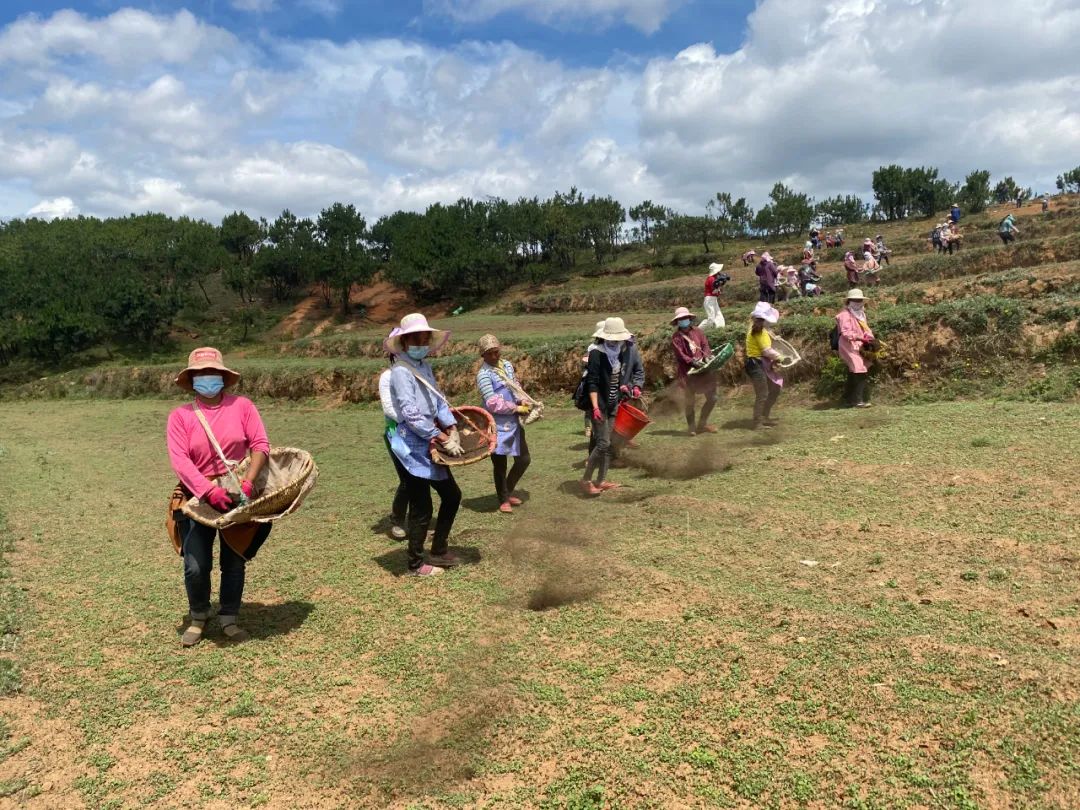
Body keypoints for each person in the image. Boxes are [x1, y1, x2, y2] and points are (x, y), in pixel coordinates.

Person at [167, 347, 271, 647]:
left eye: (212, 373)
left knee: (234, 560)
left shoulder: (243, 406)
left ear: (223, 377)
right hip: (196, 499)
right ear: (192, 379)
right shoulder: (180, 417)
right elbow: (180, 460)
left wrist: (249, 483)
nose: (207, 378)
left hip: (238, 494)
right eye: (201, 373)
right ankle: (199, 616)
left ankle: (229, 617)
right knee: (196, 564)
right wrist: (209, 490)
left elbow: (260, 444)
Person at [387, 313, 464, 576]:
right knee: (421, 506)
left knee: (452, 496)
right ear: (405, 342)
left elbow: (438, 401)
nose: (422, 343)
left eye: (425, 339)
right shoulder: (400, 372)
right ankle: (416, 564)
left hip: (431, 439)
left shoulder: (424, 368)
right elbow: (410, 413)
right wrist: (441, 437)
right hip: (412, 444)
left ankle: (439, 549)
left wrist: (452, 427)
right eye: (417, 339)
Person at [476, 334, 532, 514]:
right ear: (483, 355)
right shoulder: (483, 375)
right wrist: (515, 408)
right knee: (500, 464)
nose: (494, 356)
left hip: (513, 422)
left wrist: (522, 400)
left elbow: (515, 385)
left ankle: (506, 490)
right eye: (490, 354)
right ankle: (503, 498)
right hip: (496, 423)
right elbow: (492, 402)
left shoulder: (506, 365)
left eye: (496, 352)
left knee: (524, 459)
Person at [580, 317, 635, 496]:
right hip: (600, 405)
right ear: (606, 337)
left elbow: (614, 377)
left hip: (613, 403)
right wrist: (595, 408)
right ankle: (586, 480)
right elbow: (593, 382)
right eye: (615, 338)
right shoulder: (596, 353)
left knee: (608, 443)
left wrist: (622, 387)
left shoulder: (618, 351)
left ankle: (601, 480)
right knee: (602, 442)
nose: (618, 341)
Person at [378, 328, 408, 540]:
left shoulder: (418, 374)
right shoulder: (387, 377)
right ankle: (397, 519)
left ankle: (417, 518)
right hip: (398, 433)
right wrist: (415, 421)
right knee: (408, 478)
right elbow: (390, 409)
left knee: (421, 478)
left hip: (420, 432)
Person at [671, 306, 719, 436]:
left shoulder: (698, 332)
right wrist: (692, 362)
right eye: (681, 319)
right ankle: (691, 427)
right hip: (688, 373)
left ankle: (702, 424)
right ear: (677, 322)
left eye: (685, 318)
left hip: (703, 370)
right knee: (690, 401)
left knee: (713, 397)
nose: (683, 320)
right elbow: (681, 355)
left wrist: (707, 356)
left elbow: (705, 346)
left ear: (689, 318)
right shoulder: (676, 337)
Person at [744, 303, 784, 429]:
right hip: (755, 364)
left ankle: (764, 417)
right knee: (763, 393)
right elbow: (766, 350)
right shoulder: (758, 330)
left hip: (760, 363)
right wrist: (779, 357)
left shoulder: (759, 328)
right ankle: (757, 422)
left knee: (774, 389)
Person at [835, 289, 876, 408]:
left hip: (860, 345)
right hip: (849, 346)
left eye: (860, 300)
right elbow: (846, 333)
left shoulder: (861, 314)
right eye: (855, 300)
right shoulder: (844, 315)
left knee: (855, 371)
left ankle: (849, 399)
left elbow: (866, 330)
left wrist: (869, 338)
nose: (858, 302)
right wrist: (860, 338)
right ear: (849, 301)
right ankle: (858, 400)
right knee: (860, 370)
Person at [700, 263, 729, 329]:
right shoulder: (711, 279)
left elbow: (716, 291)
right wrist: (720, 285)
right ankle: (700, 329)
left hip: (713, 299)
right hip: (709, 299)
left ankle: (720, 328)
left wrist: (720, 285)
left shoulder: (713, 278)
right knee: (711, 317)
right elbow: (713, 291)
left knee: (718, 315)